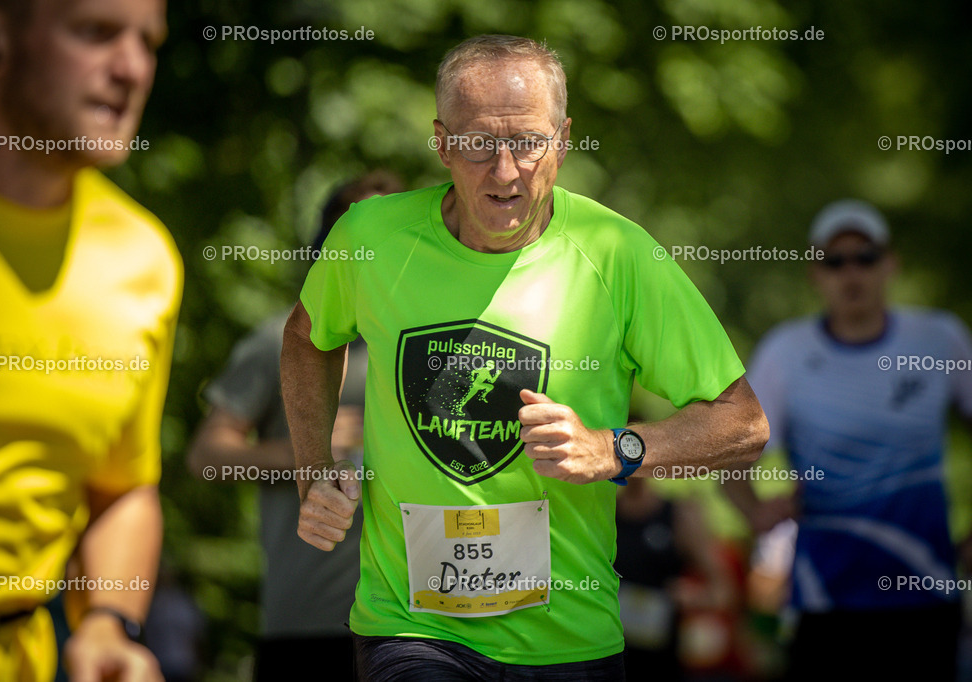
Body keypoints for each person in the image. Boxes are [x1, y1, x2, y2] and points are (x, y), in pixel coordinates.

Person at [280, 34, 769, 680]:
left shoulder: (616, 254)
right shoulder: (372, 239)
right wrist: (314, 470)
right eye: (480, 143)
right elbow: (306, 337)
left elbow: (744, 423)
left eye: (529, 143)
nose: (506, 171)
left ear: (563, 140)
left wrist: (614, 449)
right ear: (443, 142)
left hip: (570, 640)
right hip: (413, 627)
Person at [0, 0, 177, 680]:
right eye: (96, 32)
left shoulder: (145, 260)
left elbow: (122, 487)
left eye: (148, 41)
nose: (133, 68)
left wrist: (109, 622)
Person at [723, 199, 972, 680]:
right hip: (825, 603)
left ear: (891, 262)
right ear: (816, 273)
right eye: (834, 261)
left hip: (926, 596)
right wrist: (754, 511)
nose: (851, 272)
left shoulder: (939, 340)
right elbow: (729, 453)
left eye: (866, 257)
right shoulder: (787, 352)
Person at [186, 172, 402, 681]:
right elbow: (205, 457)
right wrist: (312, 452)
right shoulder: (282, 341)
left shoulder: (439, 345)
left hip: (424, 624)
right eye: (358, 231)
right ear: (329, 244)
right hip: (309, 628)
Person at [614, 477, 736, 681]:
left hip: (662, 657)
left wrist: (694, 597)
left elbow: (724, 591)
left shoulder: (679, 515)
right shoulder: (601, 516)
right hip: (609, 653)